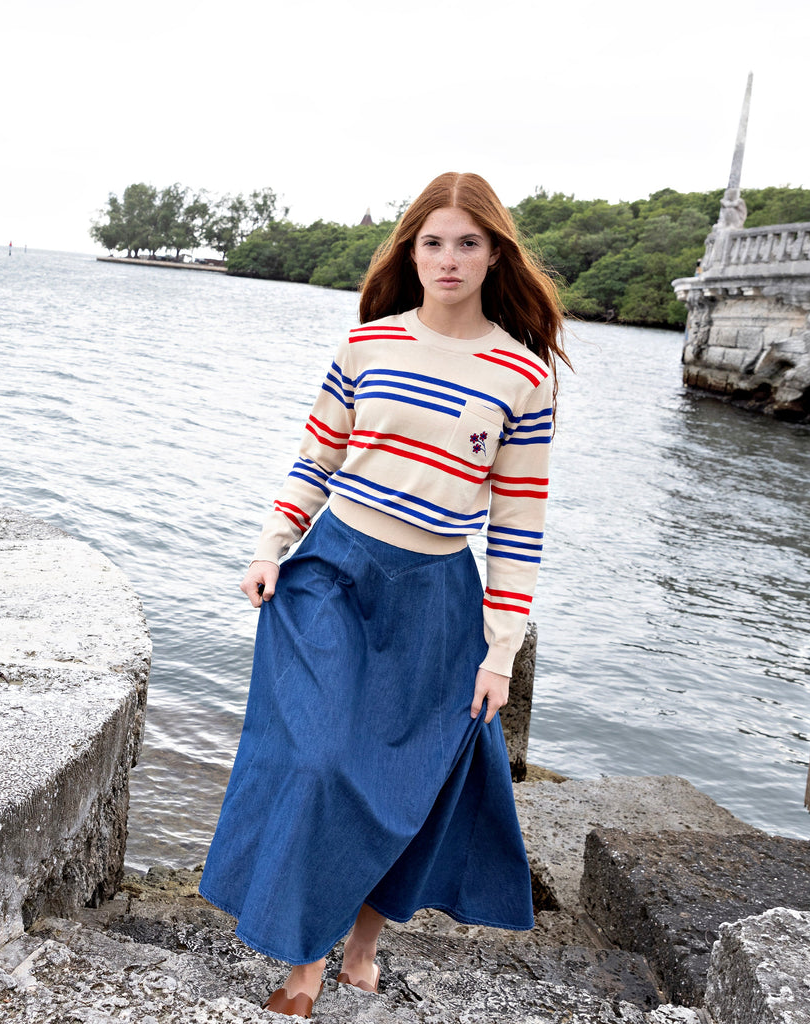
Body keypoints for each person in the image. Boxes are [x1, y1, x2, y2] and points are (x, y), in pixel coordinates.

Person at [199, 171, 570, 1018]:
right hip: (333, 569)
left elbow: (520, 523)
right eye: (432, 242)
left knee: (409, 783)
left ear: (493, 253)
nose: (448, 258)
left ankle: (360, 949)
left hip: (438, 593)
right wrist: (272, 548)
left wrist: (500, 652)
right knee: (322, 760)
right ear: (411, 250)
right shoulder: (368, 343)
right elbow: (316, 460)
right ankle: (301, 958)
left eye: (467, 243)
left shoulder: (524, 375)